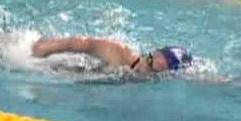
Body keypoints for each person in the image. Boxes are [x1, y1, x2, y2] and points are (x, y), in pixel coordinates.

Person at [32, 36, 193, 75]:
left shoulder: (139, 74)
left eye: (155, 70)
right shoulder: (123, 54)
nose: (145, 69)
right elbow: (83, 43)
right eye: (149, 61)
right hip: (35, 55)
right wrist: (47, 48)